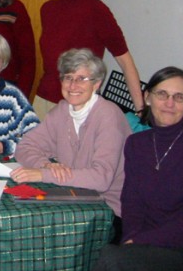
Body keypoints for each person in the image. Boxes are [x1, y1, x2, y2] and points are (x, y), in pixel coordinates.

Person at [93, 67, 183, 271]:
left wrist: (139, 242)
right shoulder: (137, 144)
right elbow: (131, 202)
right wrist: (131, 239)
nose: (169, 103)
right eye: (162, 94)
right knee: (101, 249)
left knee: (112, 258)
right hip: (145, 243)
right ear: (147, 98)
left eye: (179, 97)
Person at [13, 48, 130, 236]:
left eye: (82, 78)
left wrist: (42, 175)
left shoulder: (108, 115)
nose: (73, 85)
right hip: (74, 197)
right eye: (68, 77)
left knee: (37, 229)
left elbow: (101, 179)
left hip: (108, 211)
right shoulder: (63, 110)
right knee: (22, 220)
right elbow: (25, 146)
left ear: (97, 84)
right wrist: (46, 166)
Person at [35, 0, 143, 120]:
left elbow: (125, 61)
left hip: (78, 103)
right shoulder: (47, 9)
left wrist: (141, 109)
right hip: (44, 99)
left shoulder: (96, 9)